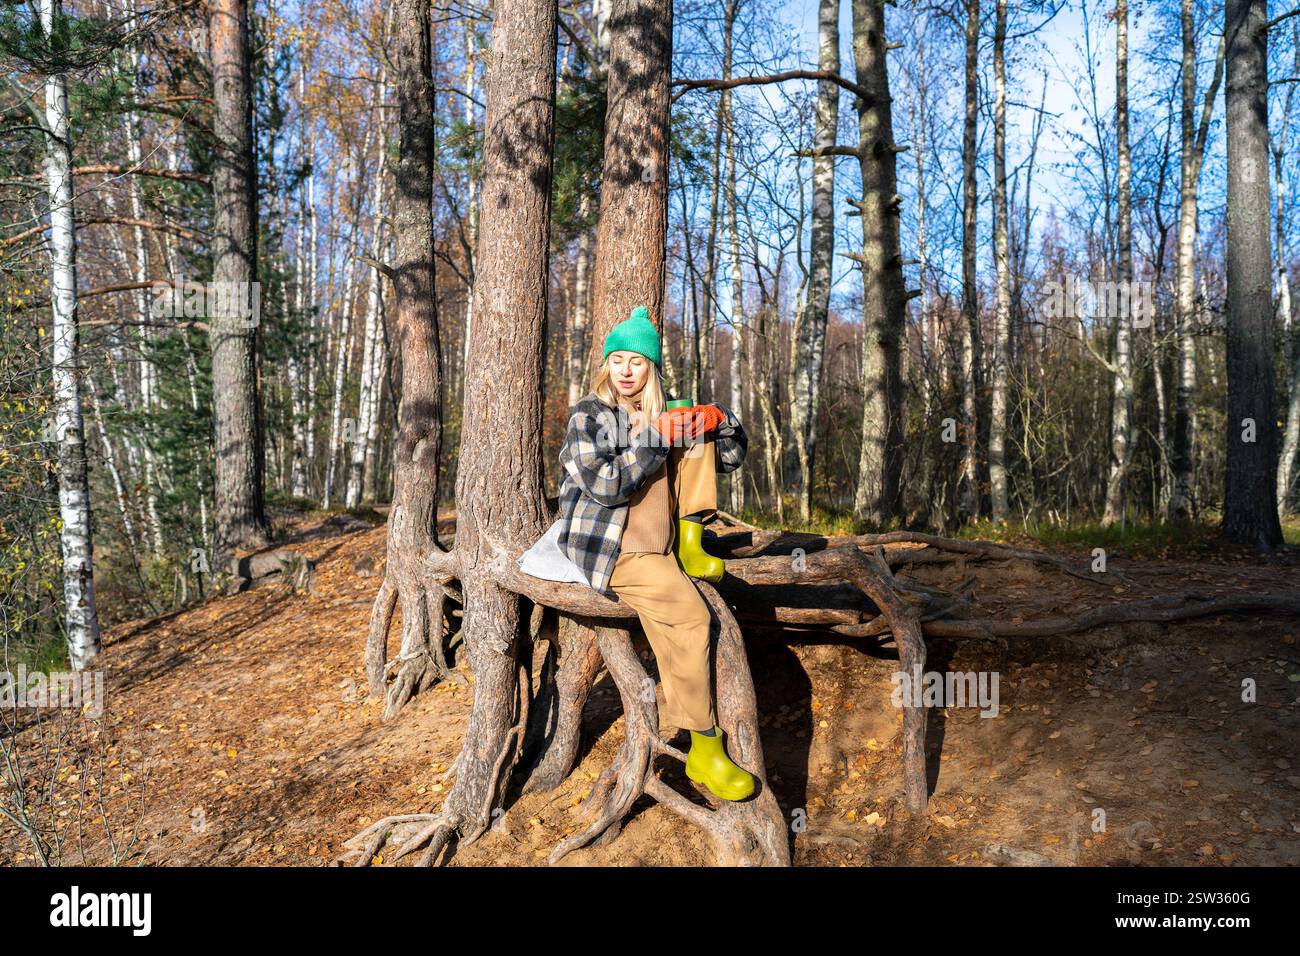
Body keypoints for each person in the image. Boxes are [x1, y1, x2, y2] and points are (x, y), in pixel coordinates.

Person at [517, 304, 755, 801]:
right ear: (607, 364)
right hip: (615, 549)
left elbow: (730, 457)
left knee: (693, 423)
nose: (627, 370)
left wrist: (719, 420)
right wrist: (654, 439)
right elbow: (606, 486)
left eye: (637, 361)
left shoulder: (662, 412)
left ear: (651, 367)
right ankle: (706, 748)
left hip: (665, 543)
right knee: (690, 617)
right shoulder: (591, 414)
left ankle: (692, 539)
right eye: (618, 359)